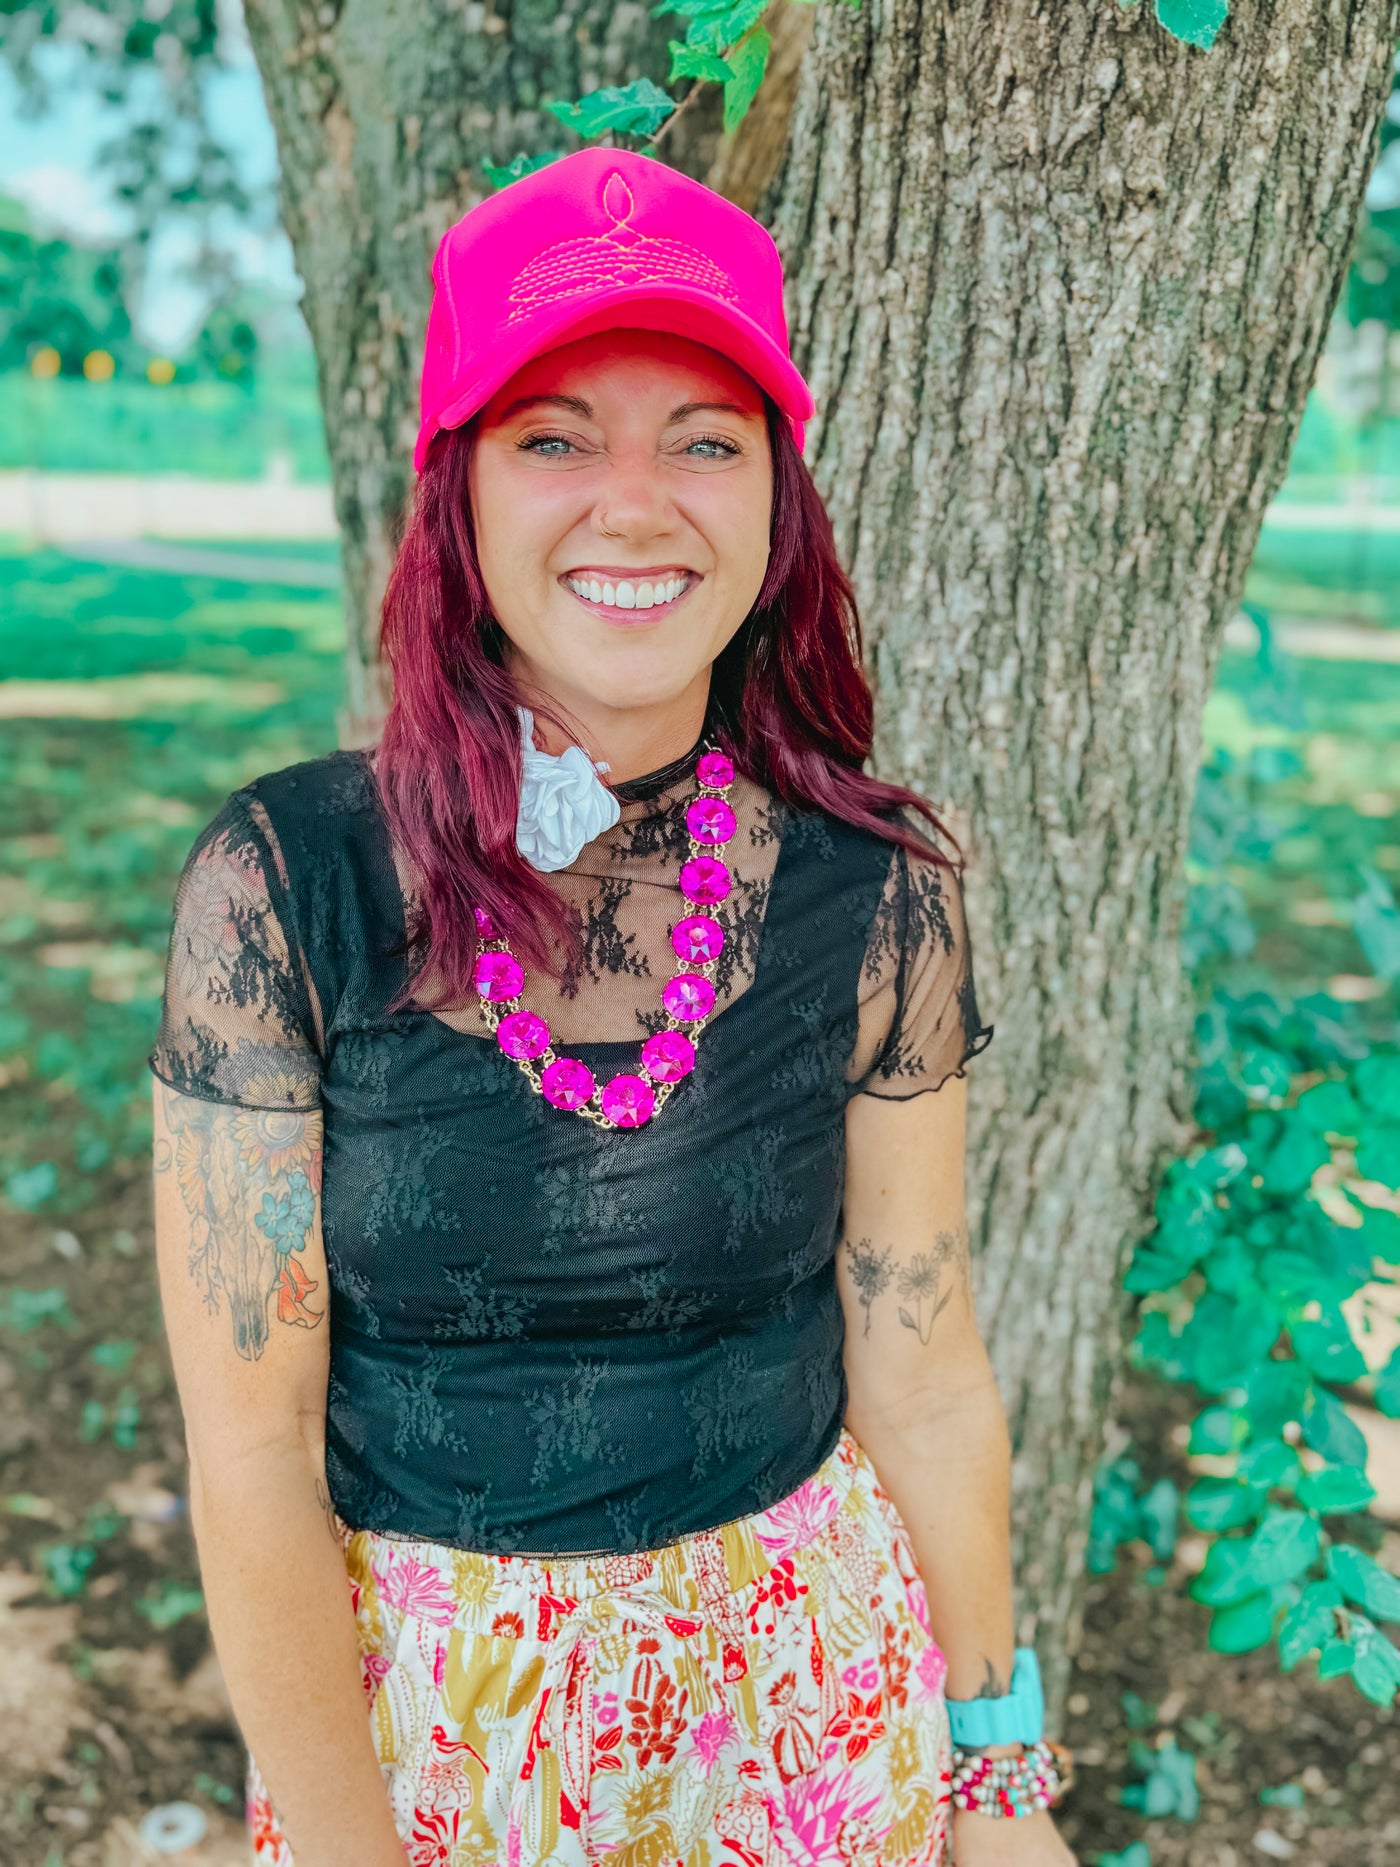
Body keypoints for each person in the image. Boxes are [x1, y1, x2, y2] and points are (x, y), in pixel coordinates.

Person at [147, 145, 1076, 1867]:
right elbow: (254, 1447)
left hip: (808, 1719)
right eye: (556, 436)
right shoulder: (287, 886)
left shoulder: (879, 897)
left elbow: (924, 1367)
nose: (635, 504)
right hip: (429, 1738)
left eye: (705, 440)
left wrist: (996, 1779)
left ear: (775, 504)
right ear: (463, 496)